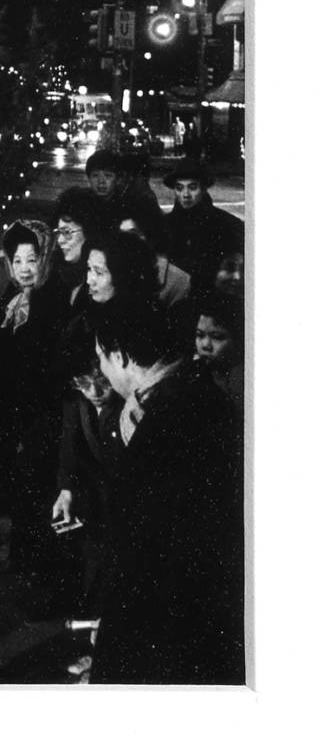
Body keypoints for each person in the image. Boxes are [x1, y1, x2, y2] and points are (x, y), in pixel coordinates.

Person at [89, 300, 244, 684]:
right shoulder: (193, 393)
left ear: (121, 356)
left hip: (169, 619)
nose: (103, 374)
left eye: (102, 360)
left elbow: (143, 547)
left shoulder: (162, 416)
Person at [0, 219, 69, 597]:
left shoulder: (53, 299)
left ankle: (31, 563)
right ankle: (8, 552)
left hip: (37, 412)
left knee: (34, 488)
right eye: (18, 260)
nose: (25, 267)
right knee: (4, 485)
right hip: (4, 411)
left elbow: (47, 365)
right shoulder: (8, 298)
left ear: (45, 258)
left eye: (33, 258)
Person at [50, 329, 123, 676]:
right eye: (83, 382)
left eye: (100, 381)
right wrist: (66, 489)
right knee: (94, 580)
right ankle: (97, 651)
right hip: (96, 508)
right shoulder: (76, 402)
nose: (94, 392)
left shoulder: (127, 406)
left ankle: (107, 657)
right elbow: (70, 450)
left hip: (124, 508)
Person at [161, 160, 245, 292]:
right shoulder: (164, 225)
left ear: (204, 188)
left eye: (192, 187)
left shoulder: (228, 225)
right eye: (179, 188)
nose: (185, 194)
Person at [85, 149, 163, 244]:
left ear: (118, 179)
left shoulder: (132, 205)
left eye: (108, 175)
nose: (101, 181)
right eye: (95, 175)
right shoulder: (83, 203)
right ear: (88, 179)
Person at [51, 189, 106, 312]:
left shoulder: (104, 281)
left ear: (89, 232)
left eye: (67, 232)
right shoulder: (56, 273)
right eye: (59, 232)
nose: (60, 240)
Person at [118, 216, 191, 308]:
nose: (123, 242)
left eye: (131, 234)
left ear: (149, 237)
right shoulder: (108, 272)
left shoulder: (179, 282)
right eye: (120, 235)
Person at [193, 286, 244, 416]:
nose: (205, 345)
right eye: (199, 335)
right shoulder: (197, 370)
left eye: (217, 337)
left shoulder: (239, 386)